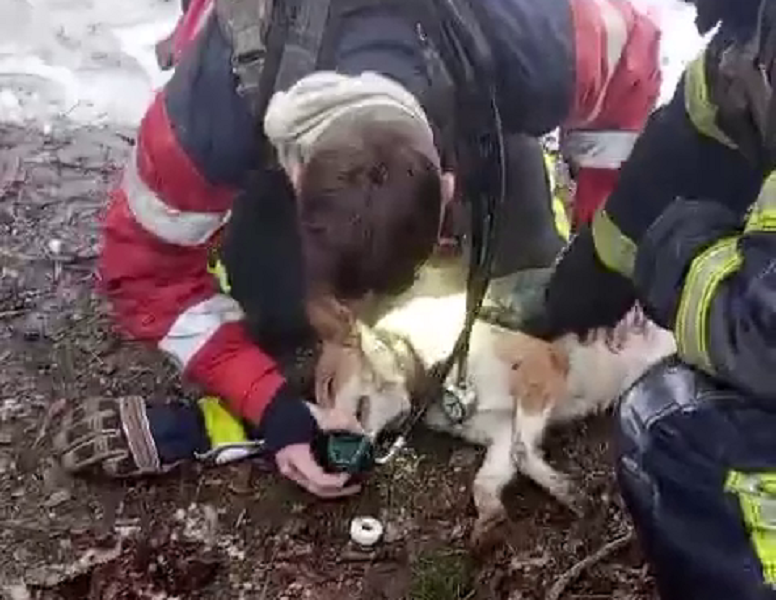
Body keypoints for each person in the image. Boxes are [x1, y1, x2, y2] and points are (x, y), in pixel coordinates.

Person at [51, 0, 661, 499]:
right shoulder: (211, 113)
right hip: (271, 91)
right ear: (296, 186)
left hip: (474, 98)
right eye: (350, 311)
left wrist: (601, 240)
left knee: (536, 287)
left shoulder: (541, 39)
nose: (362, 322)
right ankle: (232, 416)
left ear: (447, 185)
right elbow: (144, 273)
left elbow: (633, 60)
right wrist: (269, 404)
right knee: (273, 317)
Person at [531, 0, 776, 597]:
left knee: (669, 427)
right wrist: (579, 289)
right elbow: (683, 148)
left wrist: (681, 258)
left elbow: (764, 337)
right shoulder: (748, 39)